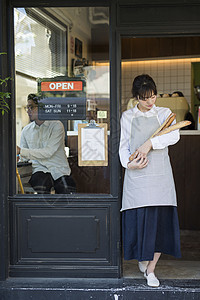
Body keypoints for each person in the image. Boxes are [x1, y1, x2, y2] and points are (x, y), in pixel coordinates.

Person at [119, 74, 181, 287]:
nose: (150, 102)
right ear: (136, 97)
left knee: (159, 224)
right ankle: (143, 260)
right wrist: (129, 164)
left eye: (153, 96)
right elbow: (123, 146)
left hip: (160, 176)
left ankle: (151, 270)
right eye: (145, 98)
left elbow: (174, 136)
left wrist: (150, 144)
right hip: (137, 175)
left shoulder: (164, 113)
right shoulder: (127, 116)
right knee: (140, 222)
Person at [17, 93, 76, 194]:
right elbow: (24, 157)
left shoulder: (56, 125)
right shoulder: (26, 130)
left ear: (41, 108)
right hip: (39, 170)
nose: (28, 111)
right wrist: (18, 157)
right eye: (27, 107)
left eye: (31, 107)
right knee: (41, 186)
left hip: (59, 170)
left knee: (67, 190)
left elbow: (48, 152)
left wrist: (20, 151)